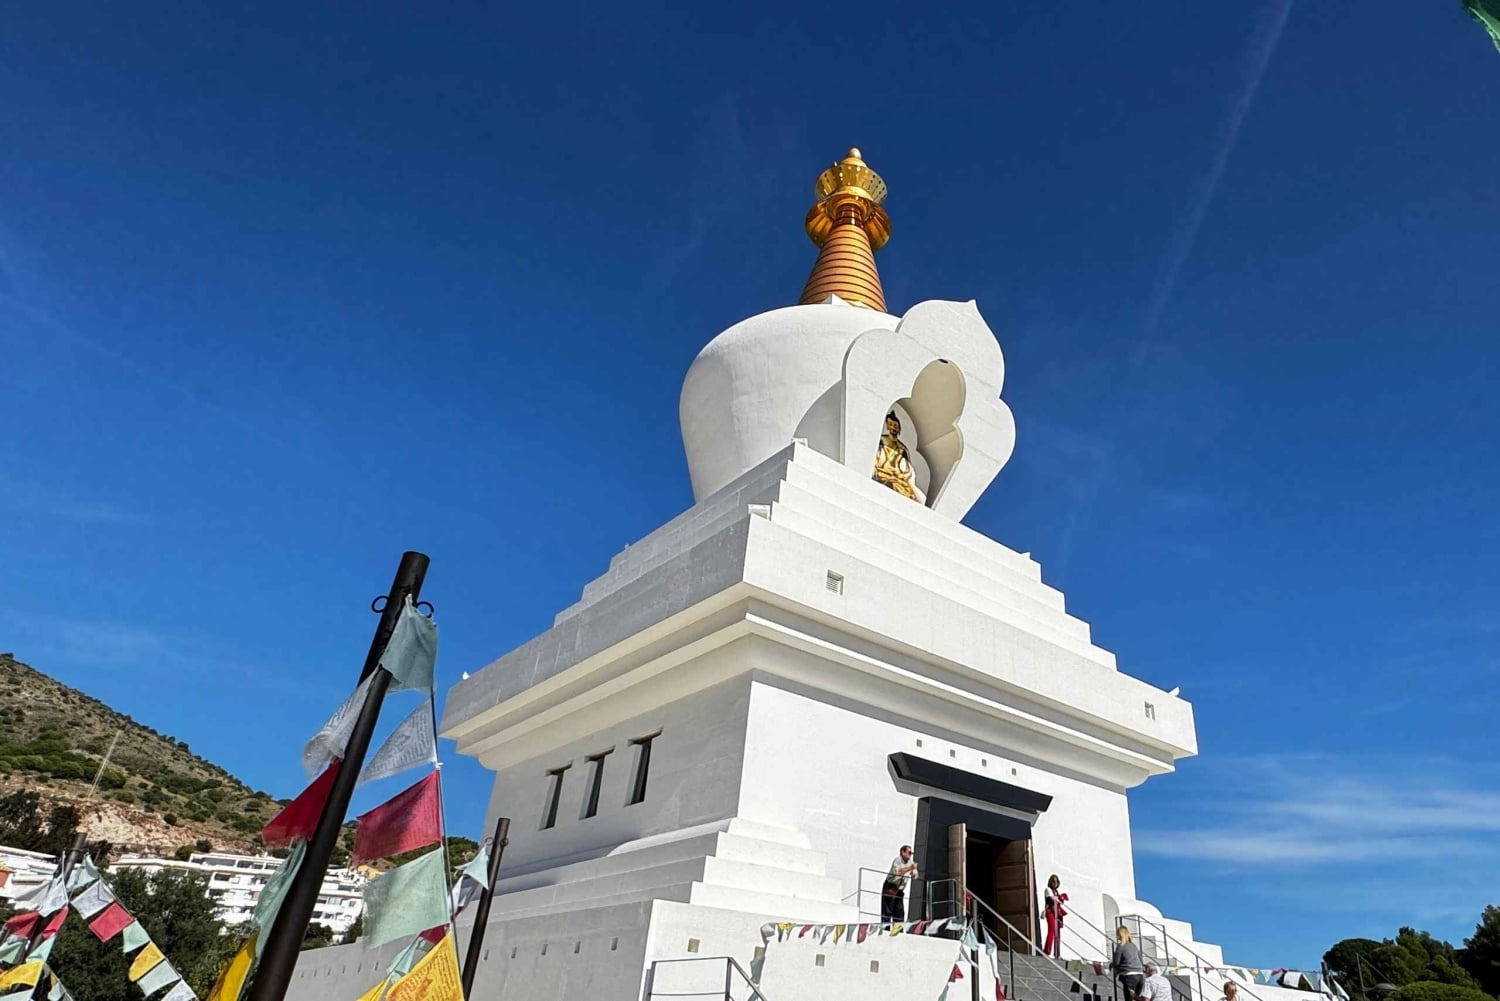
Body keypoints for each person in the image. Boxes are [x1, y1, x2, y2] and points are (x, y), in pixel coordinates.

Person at [882, 845, 918, 923]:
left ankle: (898, 932)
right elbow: (897, 872)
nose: (910, 854)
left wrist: (914, 871)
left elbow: (915, 876)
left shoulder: (911, 863)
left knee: (899, 913)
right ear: (903, 852)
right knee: (887, 911)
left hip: (899, 890)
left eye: (911, 853)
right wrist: (910, 868)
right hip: (890, 887)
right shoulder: (897, 860)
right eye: (909, 852)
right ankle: (885, 930)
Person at [1112, 925, 1144, 1001]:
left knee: (1129, 998)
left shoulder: (1120, 946)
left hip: (1129, 976)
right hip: (1140, 975)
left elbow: (1116, 962)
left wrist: (1113, 965)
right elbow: (1141, 960)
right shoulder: (1134, 946)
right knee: (1136, 998)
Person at [1043, 874, 1067, 958]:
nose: (1055, 883)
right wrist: (1060, 898)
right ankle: (1046, 951)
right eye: (1053, 881)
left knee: (1058, 933)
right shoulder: (1048, 890)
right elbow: (1052, 899)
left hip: (1057, 913)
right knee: (1052, 931)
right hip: (1050, 912)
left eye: (1056, 881)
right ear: (1050, 882)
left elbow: (1059, 901)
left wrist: (1060, 898)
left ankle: (1057, 953)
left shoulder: (1056, 891)